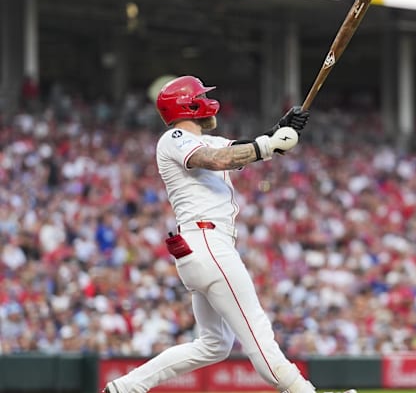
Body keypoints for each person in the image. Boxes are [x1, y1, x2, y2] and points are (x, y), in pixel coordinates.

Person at [103, 76, 353, 393]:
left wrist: (278, 131)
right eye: (201, 97)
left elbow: (240, 148)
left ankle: (124, 388)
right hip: (207, 242)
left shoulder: (209, 141)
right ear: (189, 105)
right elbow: (216, 159)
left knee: (214, 344)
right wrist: (268, 145)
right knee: (258, 333)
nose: (209, 101)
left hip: (199, 248)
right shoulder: (175, 137)